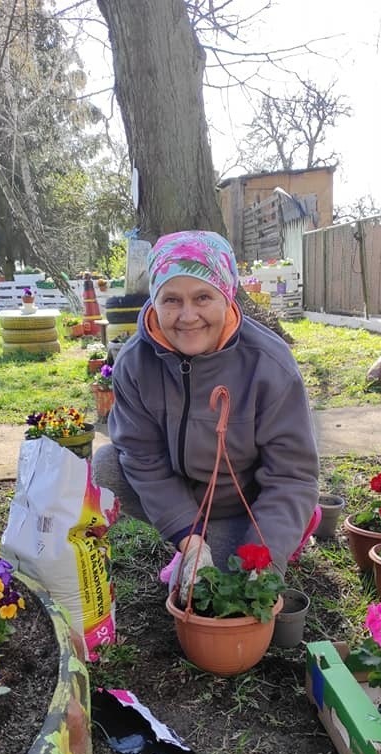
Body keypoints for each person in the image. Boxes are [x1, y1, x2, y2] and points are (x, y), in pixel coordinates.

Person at [91, 230, 319, 598]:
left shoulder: (270, 365)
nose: (187, 316)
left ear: (226, 296)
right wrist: (189, 539)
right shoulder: (135, 363)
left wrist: (264, 557)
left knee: (236, 583)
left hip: (247, 502)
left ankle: (275, 534)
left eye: (202, 297)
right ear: (154, 300)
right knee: (106, 466)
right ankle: (193, 545)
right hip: (187, 497)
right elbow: (142, 458)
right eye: (171, 300)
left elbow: (291, 475)